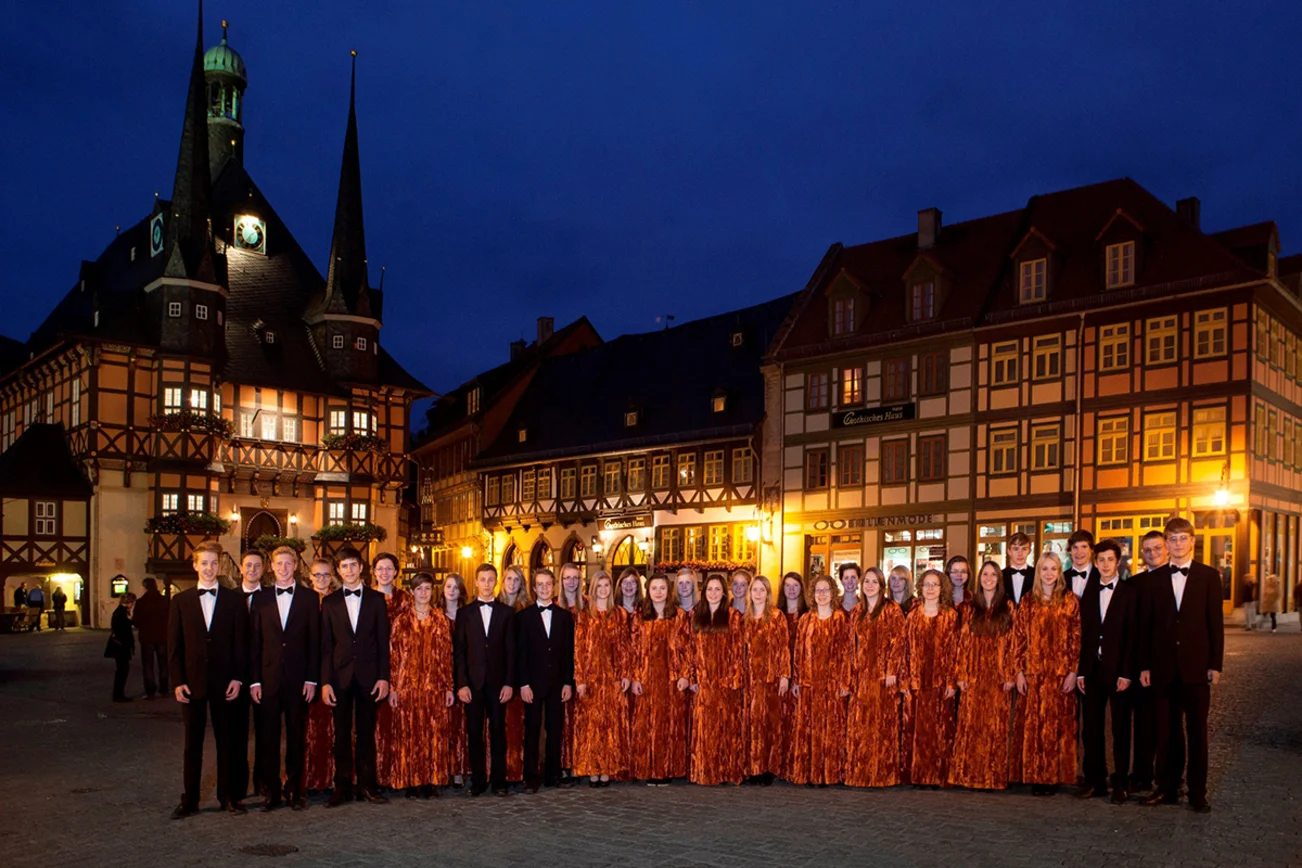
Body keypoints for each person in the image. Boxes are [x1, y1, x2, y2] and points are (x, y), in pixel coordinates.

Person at [1138, 517, 1223, 813]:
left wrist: (1215, 664)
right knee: (1166, 732)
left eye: (1182, 538)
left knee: (1197, 732)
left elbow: (1215, 623)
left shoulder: (1209, 576)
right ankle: (1167, 787)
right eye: (1172, 539)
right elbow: (1147, 627)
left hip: (1196, 668)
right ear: (1166, 543)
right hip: (1162, 668)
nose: (1177, 544)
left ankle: (1198, 792)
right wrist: (1145, 666)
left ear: (1192, 541)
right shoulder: (1153, 579)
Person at [168, 541, 249, 818]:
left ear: (220, 565)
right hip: (192, 684)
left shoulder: (234, 601)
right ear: (195, 565)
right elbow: (174, 647)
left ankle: (228, 797)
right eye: (204, 563)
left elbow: (241, 644)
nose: (209, 568)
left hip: (225, 683)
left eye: (214, 563)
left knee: (227, 742)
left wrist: (238, 678)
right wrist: (178, 681)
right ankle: (190, 800)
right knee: (192, 744)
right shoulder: (180, 602)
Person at [249, 546, 320, 812]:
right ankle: (272, 792)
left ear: (296, 566)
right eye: (279, 563)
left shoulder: (309, 598)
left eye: (288, 563)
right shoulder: (260, 598)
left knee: (296, 737)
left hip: (299, 679)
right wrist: (254, 680)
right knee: (268, 737)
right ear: (272, 566)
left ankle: (295, 790)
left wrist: (311, 679)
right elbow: (254, 643)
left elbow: (315, 642)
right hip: (267, 679)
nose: (283, 568)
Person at [320, 546, 391, 807]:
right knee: (340, 734)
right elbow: (326, 646)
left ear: (361, 568)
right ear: (338, 571)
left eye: (353, 565)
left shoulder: (376, 600)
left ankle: (367, 785)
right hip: (339, 677)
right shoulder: (330, 603)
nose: (349, 570)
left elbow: (383, 642)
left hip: (369, 677)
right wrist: (325, 682)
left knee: (366, 733)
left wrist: (383, 677)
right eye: (344, 566)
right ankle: (342, 786)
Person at [1011, 552, 1081, 796]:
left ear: (1059, 572)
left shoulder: (1070, 600)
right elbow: (1019, 638)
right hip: (1033, 674)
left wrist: (1073, 671)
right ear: (1038, 572)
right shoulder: (1028, 601)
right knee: (1033, 726)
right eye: (1044, 569)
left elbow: (1075, 639)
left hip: (1060, 674)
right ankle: (1034, 774)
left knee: (1057, 726)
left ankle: (1053, 776)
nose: (1049, 574)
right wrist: (1019, 671)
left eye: (1053, 569)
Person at [1076, 540, 1136, 804]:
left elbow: (1133, 636)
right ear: (1095, 562)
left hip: (1118, 670)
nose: (1105, 564)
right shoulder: (1087, 593)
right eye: (1100, 560)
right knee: (1091, 729)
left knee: (1120, 729)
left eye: (1110, 559)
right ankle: (1096, 781)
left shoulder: (1129, 593)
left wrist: (1127, 672)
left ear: (1118, 562)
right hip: (1092, 670)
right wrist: (1080, 672)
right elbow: (1082, 636)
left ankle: (1120, 782)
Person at [949, 561, 1016, 790]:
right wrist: (961, 673)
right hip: (974, 676)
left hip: (998, 677)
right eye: (985, 574)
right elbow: (963, 643)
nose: (989, 578)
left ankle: (993, 777)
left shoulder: (1008, 607)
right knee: (971, 726)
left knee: (995, 727)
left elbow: (1014, 643)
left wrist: (1010, 673)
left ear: (999, 579)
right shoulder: (969, 608)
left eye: (993, 575)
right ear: (979, 578)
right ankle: (970, 775)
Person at [387, 572, 454, 799]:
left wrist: (449, 686)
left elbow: (446, 655)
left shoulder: (440, 619)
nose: (423, 593)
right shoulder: (401, 621)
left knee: (434, 734)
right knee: (410, 734)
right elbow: (394, 656)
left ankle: (431, 780)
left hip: (434, 686)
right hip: (407, 686)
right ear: (412, 592)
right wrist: (393, 687)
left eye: (427, 588)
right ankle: (411, 780)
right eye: (419, 589)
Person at [454, 563, 516, 797]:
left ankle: (499, 781)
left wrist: (509, 682)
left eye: (491, 579)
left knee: (498, 731)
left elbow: (511, 651)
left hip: (498, 684)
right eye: (483, 579)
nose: (487, 584)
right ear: (476, 582)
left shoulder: (507, 613)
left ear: (496, 582)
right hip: (472, 684)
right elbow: (459, 652)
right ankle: (478, 780)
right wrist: (461, 684)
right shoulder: (464, 614)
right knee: (474, 732)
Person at [517, 568, 576, 792]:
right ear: (534, 588)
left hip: (557, 683)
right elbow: (520, 654)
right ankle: (531, 776)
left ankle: (553, 774)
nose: (544, 588)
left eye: (548, 584)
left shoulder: (564, 617)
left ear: (554, 587)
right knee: (532, 730)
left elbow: (569, 652)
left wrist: (568, 682)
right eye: (540, 584)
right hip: (532, 683)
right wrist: (523, 684)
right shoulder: (523, 617)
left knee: (555, 729)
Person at [845, 567, 905, 788]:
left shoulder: (892, 609)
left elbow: (899, 641)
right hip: (861, 676)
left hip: (883, 677)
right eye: (867, 582)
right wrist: (850, 675)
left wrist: (892, 670)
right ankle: (860, 774)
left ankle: (881, 774)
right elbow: (850, 646)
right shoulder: (856, 611)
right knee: (861, 726)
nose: (869, 586)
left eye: (874, 582)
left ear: (881, 585)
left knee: (882, 725)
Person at [789, 574, 851, 786]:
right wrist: (797, 680)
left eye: (826, 590)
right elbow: (798, 652)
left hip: (832, 685)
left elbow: (847, 653)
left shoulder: (841, 619)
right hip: (809, 684)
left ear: (833, 593)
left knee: (831, 730)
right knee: (810, 729)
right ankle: (810, 773)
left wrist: (844, 682)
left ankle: (830, 773)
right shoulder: (806, 620)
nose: (822, 594)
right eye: (818, 590)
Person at [630, 572, 691, 785]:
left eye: (662, 588)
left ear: (669, 590)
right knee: (646, 725)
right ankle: (648, 769)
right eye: (654, 588)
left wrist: (685, 674)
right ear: (648, 591)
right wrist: (635, 677)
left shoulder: (679, 616)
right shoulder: (639, 616)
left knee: (669, 725)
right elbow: (633, 649)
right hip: (646, 679)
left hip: (671, 679)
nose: (658, 592)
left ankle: (666, 770)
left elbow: (687, 648)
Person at [903, 569, 959, 788]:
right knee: (917, 731)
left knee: (940, 729)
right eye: (927, 584)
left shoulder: (950, 616)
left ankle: (937, 775)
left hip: (941, 683)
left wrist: (952, 681)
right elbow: (905, 651)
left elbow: (955, 651)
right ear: (920, 587)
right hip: (916, 682)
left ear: (942, 588)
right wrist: (905, 680)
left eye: (935, 584)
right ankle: (918, 775)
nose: (930, 588)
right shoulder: (912, 616)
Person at [687, 574, 745, 785]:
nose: (713, 593)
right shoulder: (695, 616)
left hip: (725, 682)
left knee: (726, 727)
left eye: (717, 589)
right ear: (704, 592)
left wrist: (734, 678)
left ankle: (725, 771)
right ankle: (705, 771)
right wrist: (692, 677)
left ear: (724, 593)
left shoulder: (733, 616)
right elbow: (689, 649)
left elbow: (738, 650)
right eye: (710, 589)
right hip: (703, 682)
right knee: (705, 727)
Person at [573, 570, 626, 788]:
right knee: (591, 726)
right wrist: (580, 678)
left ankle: (607, 768)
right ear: (593, 589)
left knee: (609, 725)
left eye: (606, 585)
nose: (603, 590)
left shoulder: (619, 614)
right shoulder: (585, 615)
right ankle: (592, 768)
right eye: (599, 586)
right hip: (591, 678)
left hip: (612, 678)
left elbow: (624, 648)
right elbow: (579, 649)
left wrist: (624, 674)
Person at [1125, 530, 1168, 794]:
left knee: (1167, 726)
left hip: (1167, 664)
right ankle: (1141, 774)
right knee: (1142, 723)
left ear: (1166, 548)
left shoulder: (1176, 580)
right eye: (1148, 549)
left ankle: (1169, 778)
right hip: (1138, 663)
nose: (1152, 553)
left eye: (1157, 548)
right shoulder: (1134, 584)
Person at [742, 575, 790, 785]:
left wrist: (784, 675)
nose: (758, 593)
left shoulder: (777, 616)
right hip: (749, 679)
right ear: (750, 593)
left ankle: (769, 768)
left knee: (770, 723)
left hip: (771, 678)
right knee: (752, 723)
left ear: (768, 593)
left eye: (762, 590)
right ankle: (754, 767)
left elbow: (784, 648)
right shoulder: (744, 618)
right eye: (755, 589)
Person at [492, 565, 531, 788]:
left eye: (517, 580)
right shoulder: (494, 605)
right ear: (503, 581)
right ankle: (499, 770)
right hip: (498, 674)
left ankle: (517, 770)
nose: (513, 583)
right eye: (509, 579)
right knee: (498, 726)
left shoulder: (527, 608)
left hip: (521, 674)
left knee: (518, 726)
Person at [233, 549, 266, 800]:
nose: (252, 569)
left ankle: (263, 783)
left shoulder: (271, 597)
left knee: (265, 732)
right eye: (248, 565)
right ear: (240, 568)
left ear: (264, 569)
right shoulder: (228, 598)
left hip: (264, 674)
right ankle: (238, 785)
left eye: (257, 565)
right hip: (235, 674)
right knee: (237, 733)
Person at [303, 558, 336, 796]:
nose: (321, 579)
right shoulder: (303, 601)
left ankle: (331, 776)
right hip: (307, 670)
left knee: (332, 727)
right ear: (310, 577)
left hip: (334, 669)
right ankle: (309, 777)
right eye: (317, 575)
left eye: (326, 575)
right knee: (307, 728)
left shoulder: (337, 600)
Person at [440, 573, 471, 789]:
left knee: (462, 726)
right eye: (448, 586)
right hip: (440, 675)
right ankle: (443, 770)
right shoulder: (435, 615)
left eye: (456, 587)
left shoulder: (468, 615)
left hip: (463, 675)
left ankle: (460, 769)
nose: (452, 591)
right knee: (444, 726)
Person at [557, 562, 585, 783]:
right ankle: (562, 764)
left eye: (575, 577)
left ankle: (579, 762)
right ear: (561, 580)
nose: (571, 582)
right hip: (560, 668)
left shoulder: (588, 605)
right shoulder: (553, 605)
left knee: (580, 718)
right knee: (561, 719)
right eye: (567, 577)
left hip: (584, 667)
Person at [777, 572, 807, 781]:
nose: (791, 589)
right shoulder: (775, 613)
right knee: (781, 722)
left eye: (795, 585)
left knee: (798, 723)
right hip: (780, 676)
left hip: (800, 675)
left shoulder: (808, 614)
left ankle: (796, 766)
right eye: (787, 585)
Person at [133, 578, 170, 699]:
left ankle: (150, 691)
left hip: (147, 637)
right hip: (162, 636)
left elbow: (136, 621)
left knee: (148, 665)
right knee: (163, 663)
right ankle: (164, 689)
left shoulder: (141, 602)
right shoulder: (165, 601)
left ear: (145, 587)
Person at [106, 592, 136, 702]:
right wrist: (130, 620)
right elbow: (121, 630)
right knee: (122, 670)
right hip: (121, 646)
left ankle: (119, 694)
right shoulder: (121, 613)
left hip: (120, 645)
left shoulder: (121, 612)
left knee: (122, 670)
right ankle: (118, 694)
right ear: (129, 602)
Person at [1002, 532, 1035, 606]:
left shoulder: (1037, 575)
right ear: (1009, 551)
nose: (1020, 554)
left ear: (1029, 551)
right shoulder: (1000, 576)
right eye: (1016, 549)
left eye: (1024, 549)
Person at [1064, 530, 1099, 599]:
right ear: (1070, 551)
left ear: (1092, 549)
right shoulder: (1061, 578)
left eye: (1084, 547)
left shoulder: (1101, 577)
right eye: (1075, 547)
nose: (1079, 552)